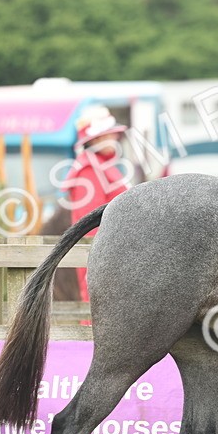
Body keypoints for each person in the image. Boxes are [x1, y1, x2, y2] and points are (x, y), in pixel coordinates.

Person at [64, 107, 131, 301]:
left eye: (112, 134)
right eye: (105, 135)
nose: (114, 138)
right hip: (102, 258)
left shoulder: (100, 166)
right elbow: (90, 224)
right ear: (93, 140)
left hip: (113, 253)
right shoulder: (89, 170)